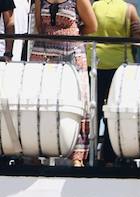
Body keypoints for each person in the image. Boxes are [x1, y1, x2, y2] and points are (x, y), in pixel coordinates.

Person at [30, 0, 97, 166]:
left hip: (71, 53)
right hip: (43, 52)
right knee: (37, 101)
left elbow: (92, 26)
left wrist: (70, 33)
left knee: (78, 101)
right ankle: (37, 152)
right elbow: (39, 26)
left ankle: (77, 156)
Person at [91, 0, 140, 165]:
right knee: (114, 113)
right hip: (121, 66)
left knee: (94, 111)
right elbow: (137, 37)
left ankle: (89, 154)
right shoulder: (129, 9)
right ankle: (110, 156)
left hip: (95, 63)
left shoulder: (94, 6)